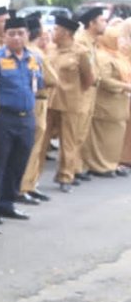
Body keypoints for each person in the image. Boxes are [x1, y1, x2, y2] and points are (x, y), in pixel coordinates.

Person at [0, 17, 44, 220]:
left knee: (19, 162)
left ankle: (7, 203)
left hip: (26, 118)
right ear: (4, 36)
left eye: (21, 33)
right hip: (3, 118)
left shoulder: (34, 59)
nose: (17, 38)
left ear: (28, 35)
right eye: (12, 34)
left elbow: (38, 84)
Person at [46, 16, 95, 192]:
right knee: (40, 142)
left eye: (56, 29)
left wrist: (73, 92)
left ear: (66, 33)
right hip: (49, 101)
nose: (53, 32)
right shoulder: (50, 49)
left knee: (68, 142)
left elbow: (89, 79)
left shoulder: (81, 52)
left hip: (70, 103)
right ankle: (29, 181)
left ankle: (66, 176)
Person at [82, 22, 131, 176]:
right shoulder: (103, 57)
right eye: (117, 38)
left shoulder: (118, 55)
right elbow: (104, 80)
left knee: (114, 139)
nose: (121, 42)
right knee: (102, 138)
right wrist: (125, 86)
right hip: (106, 104)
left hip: (119, 105)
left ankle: (111, 164)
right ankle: (99, 166)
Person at [19, 20, 57, 203]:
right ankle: (24, 186)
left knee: (33, 147)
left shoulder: (28, 53)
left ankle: (30, 185)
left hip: (34, 100)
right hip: (37, 100)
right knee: (32, 148)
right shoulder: (36, 54)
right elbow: (52, 79)